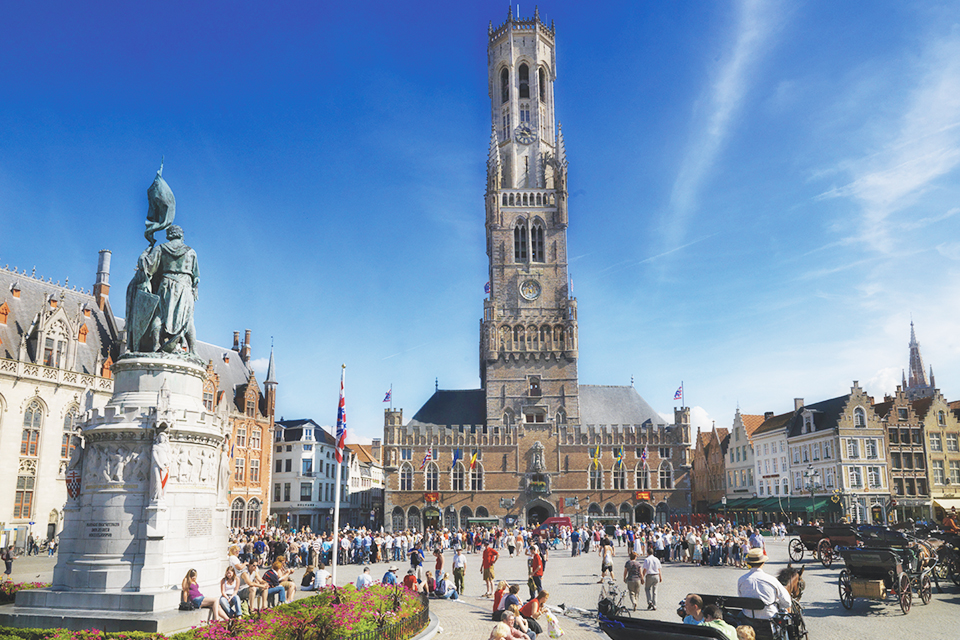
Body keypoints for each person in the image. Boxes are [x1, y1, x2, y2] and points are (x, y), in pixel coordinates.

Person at [737, 548, 791, 620]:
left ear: (749, 563)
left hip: (748, 617)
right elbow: (787, 603)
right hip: (769, 617)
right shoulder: (771, 580)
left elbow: (741, 598)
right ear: (763, 563)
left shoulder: (741, 580)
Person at [640, 546, 662, 610]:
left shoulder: (647, 559)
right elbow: (659, 569)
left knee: (647, 589)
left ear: (647, 553)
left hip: (649, 575)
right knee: (655, 591)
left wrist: (642, 577)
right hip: (656, 575)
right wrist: (660, 577)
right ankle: (655, 605)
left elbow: (645, 569)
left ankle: (649, 601)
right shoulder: (656, 559)